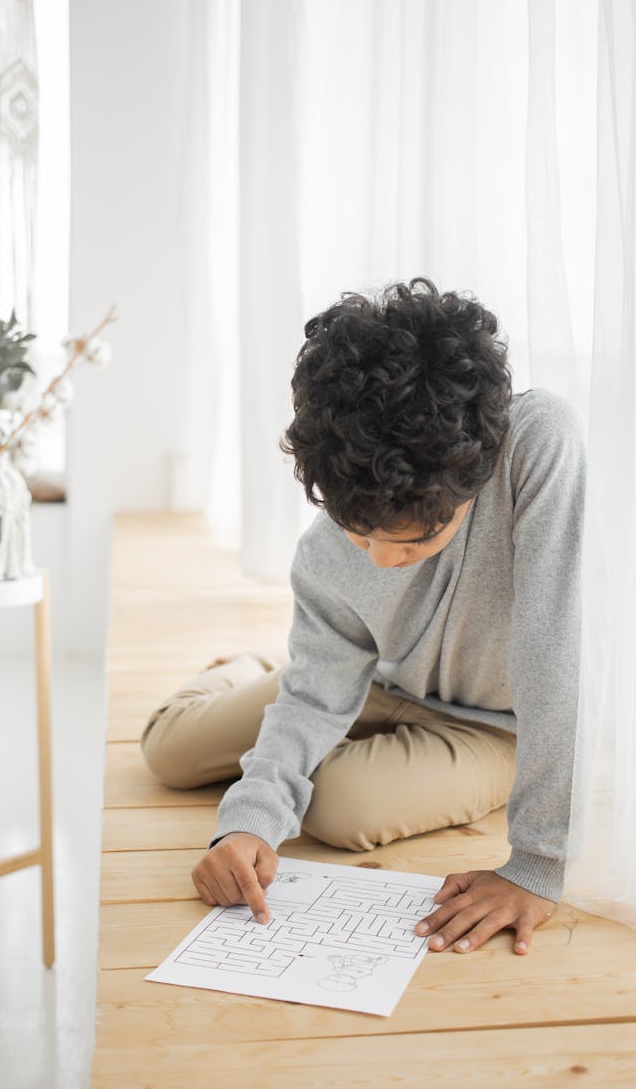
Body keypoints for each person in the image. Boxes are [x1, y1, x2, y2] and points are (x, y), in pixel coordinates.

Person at [141, 277, 586, 957]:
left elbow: (551, 647)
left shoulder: (538, 444)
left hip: (494, 725)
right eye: (358, 532)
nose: (379, 560)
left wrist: (536, 864)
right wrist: (250, 822)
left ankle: (269, 701)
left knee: (337, 808)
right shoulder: (327, 553)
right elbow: (317, 693)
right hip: (376, 677)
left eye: (411, 542)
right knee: (168, 750)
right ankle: (244, 668)